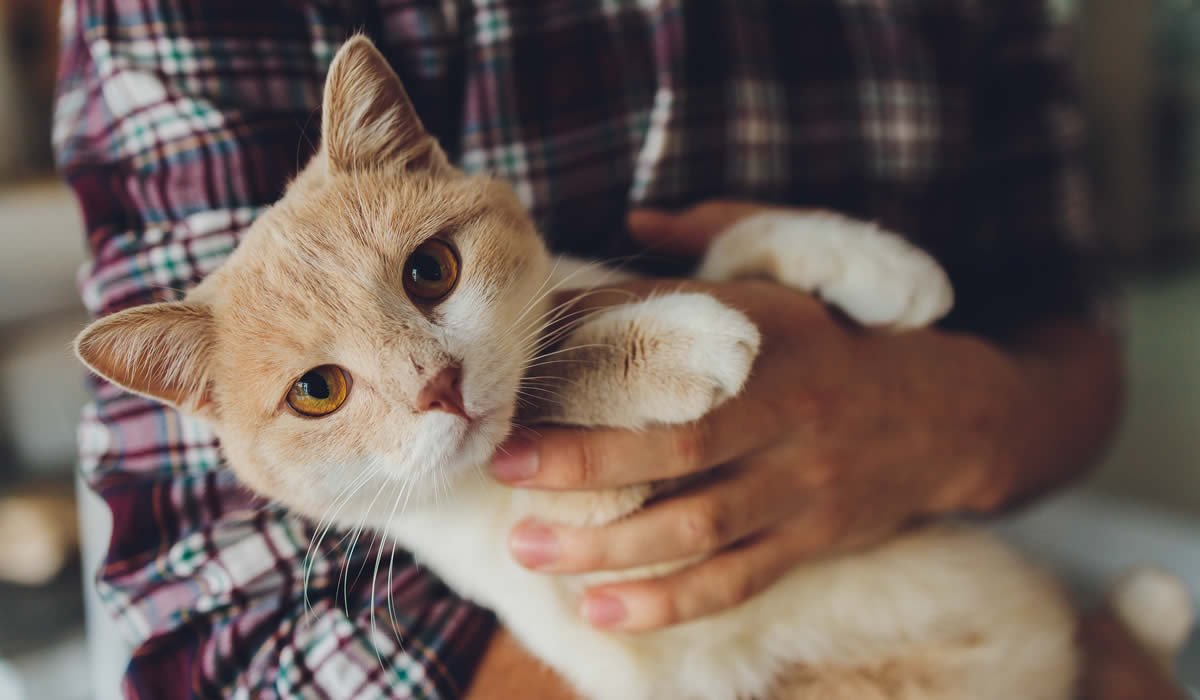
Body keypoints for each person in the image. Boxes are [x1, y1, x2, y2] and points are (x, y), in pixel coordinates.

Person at [52, 1, 1179, 698]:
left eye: (429, 278)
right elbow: (213, 631)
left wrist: (961, 421)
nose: (430, 385)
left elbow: (1066, 318)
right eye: (319, 387)